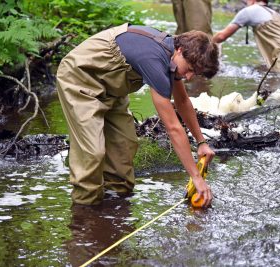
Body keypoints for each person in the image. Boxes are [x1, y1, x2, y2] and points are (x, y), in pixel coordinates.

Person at [56, 23, 219, 206]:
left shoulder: (171, 57)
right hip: (80, 79)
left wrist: (201, 142)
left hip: (111, 89)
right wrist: (196, 178)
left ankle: (114, 214)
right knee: (92, 153)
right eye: (189, 69)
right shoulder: (154, 60)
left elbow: (182, 102)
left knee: (124, 151)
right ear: (180, 50)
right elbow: (173, 128)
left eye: (194, 74)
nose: (189, 77)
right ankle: (85, 219)